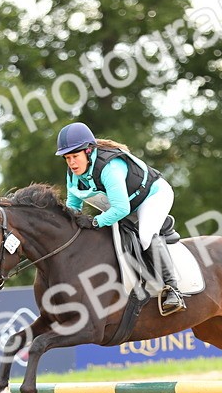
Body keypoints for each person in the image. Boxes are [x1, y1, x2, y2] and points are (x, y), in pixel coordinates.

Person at [55, 121, 185, 314]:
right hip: (124, 205)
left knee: (146, 235)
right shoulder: (73, 174)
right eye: (67, 158)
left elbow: (121, 208)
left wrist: (95, 221)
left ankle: (173, 289)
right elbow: (73, 207)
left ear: (88, 151)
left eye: (75, 156)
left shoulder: (110, 167)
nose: (71, 163)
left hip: (152, 195)